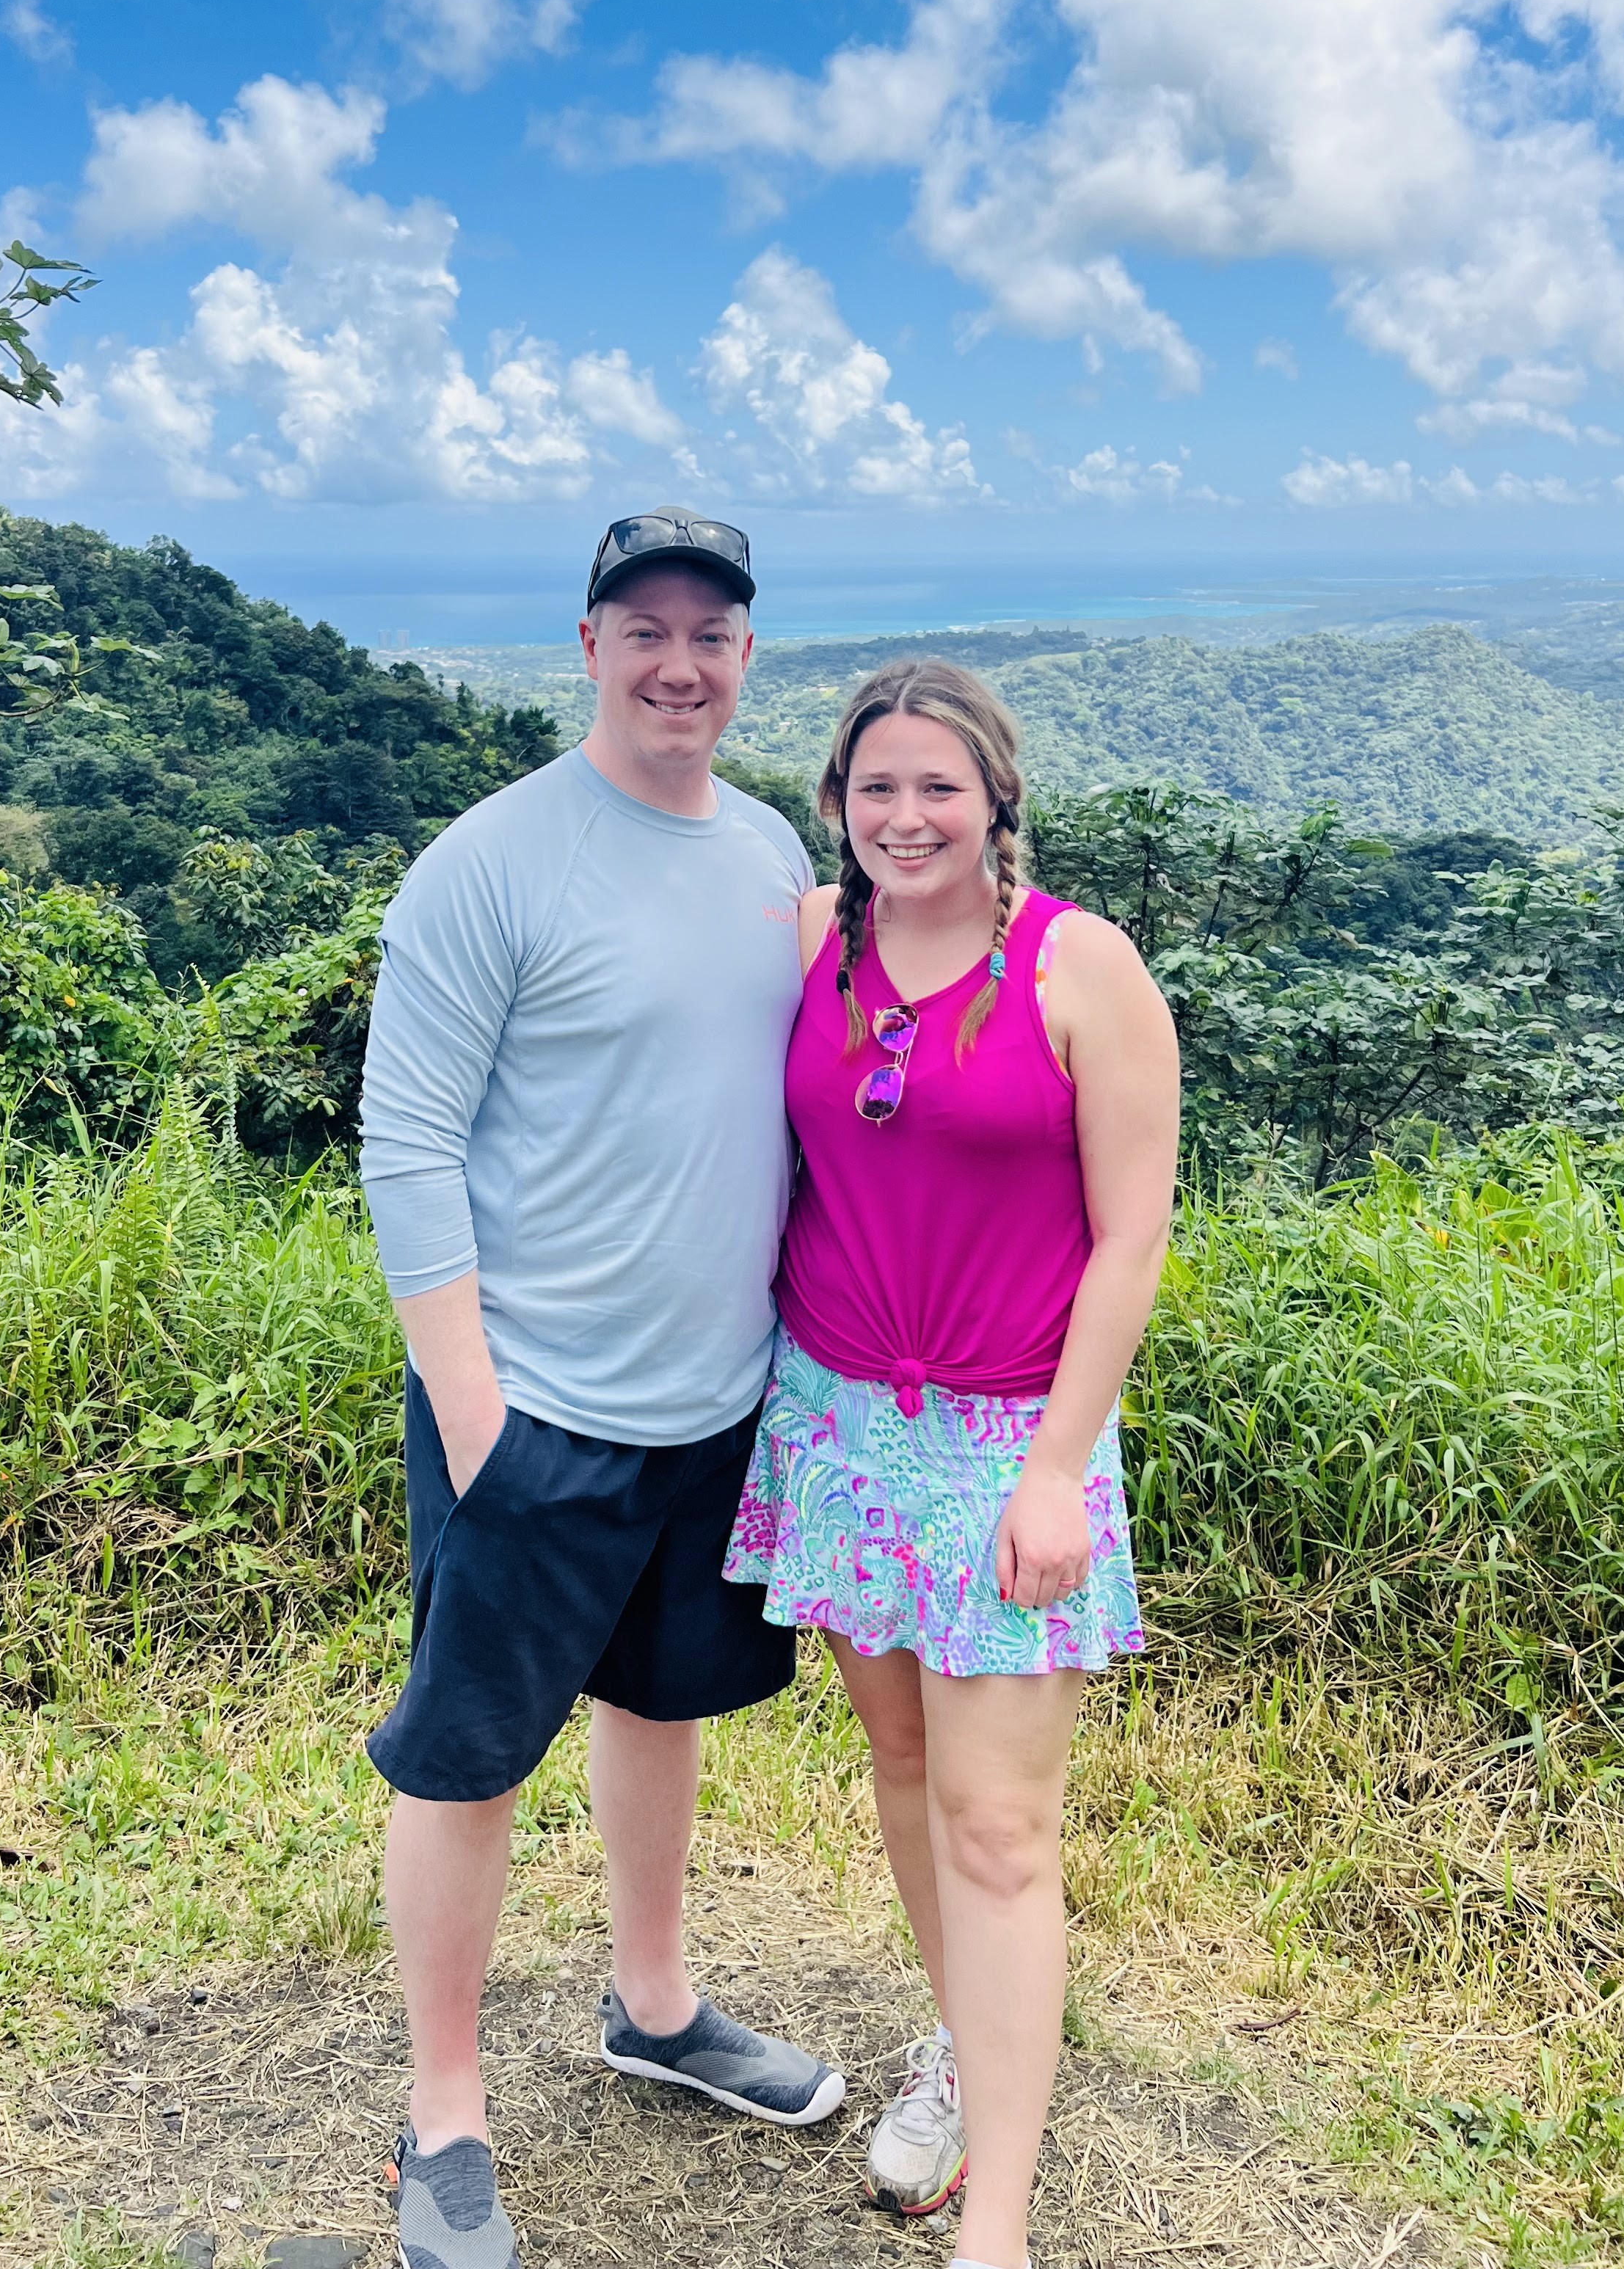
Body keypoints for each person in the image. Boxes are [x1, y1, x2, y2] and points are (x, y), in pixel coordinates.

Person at [359, 507, 847, 2269]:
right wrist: (473, 1405)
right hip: (536, 1402)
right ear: (585, 646)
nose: (678, 662)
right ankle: (445, 2117)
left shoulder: (768, 849)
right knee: (468, 1756)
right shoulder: (490, 864)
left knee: (663, 1705)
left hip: (715, 1402)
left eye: (711, 634)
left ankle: (653, 2006)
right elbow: (406, 1142)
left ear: (743, 660)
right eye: (642, 627)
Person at [725, 658, 1179, 2269]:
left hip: (1006, 1440)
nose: (905, 817)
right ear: (836, 807)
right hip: (837, 1425)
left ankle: (998, 2220)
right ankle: (963, 2046)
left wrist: (1059, 1469)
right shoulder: (811, 945)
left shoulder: (1081, 968)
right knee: (906, 1771)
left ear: (996, 798)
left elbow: (1132, 1240)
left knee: (1001, 1827)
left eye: (937, 787)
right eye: (874, 788)